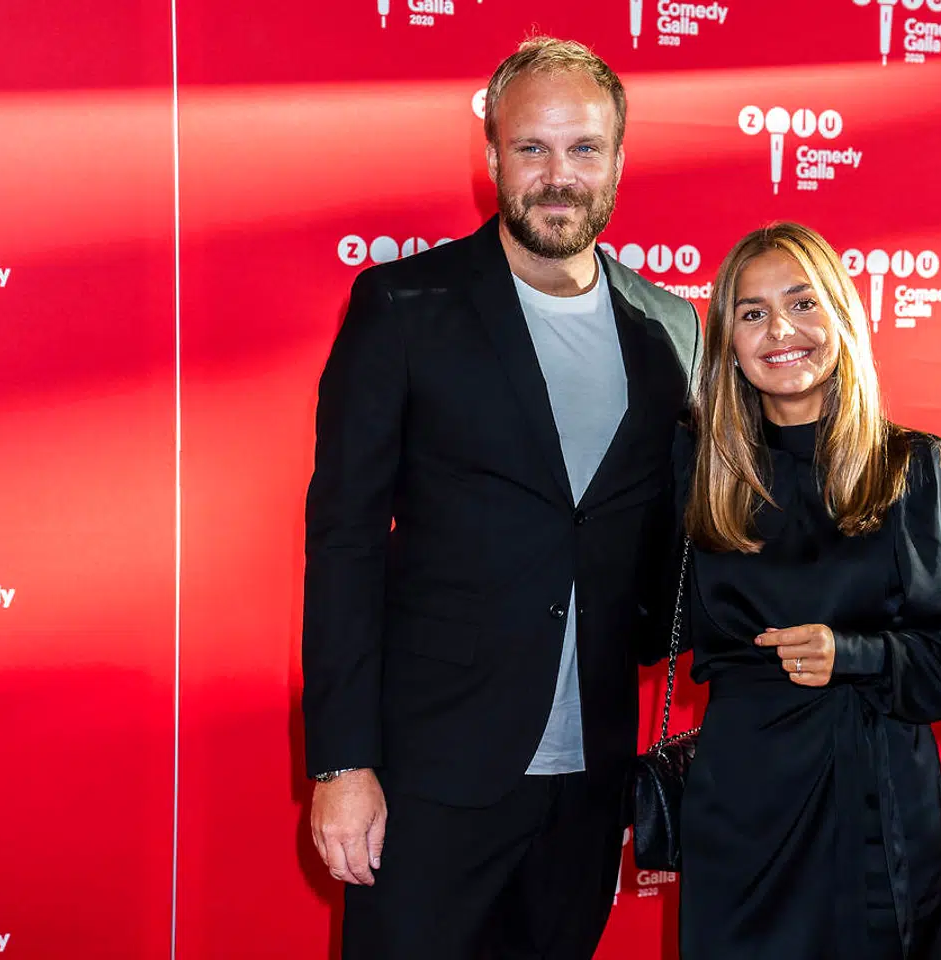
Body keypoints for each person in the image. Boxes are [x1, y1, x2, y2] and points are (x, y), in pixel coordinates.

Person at [300, 36, 700, 959]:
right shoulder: (403, 306)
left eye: (584, 148)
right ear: (492, 157)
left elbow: (682, 534)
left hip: (589, 781)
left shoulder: (670, 326)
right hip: (429, 773)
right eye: (532, 148)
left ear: (619, 160)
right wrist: (343, 762)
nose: (559, 176)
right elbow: (345, 543)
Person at [671, 222, 941, 959]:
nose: (780, 331)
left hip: (872, 796)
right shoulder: (696, 472)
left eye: (802, 303)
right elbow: (638, 612)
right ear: (727, 340)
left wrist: (852, 654)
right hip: (740, 804)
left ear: (841, 316)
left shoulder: (914, 467)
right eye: (752, 313)